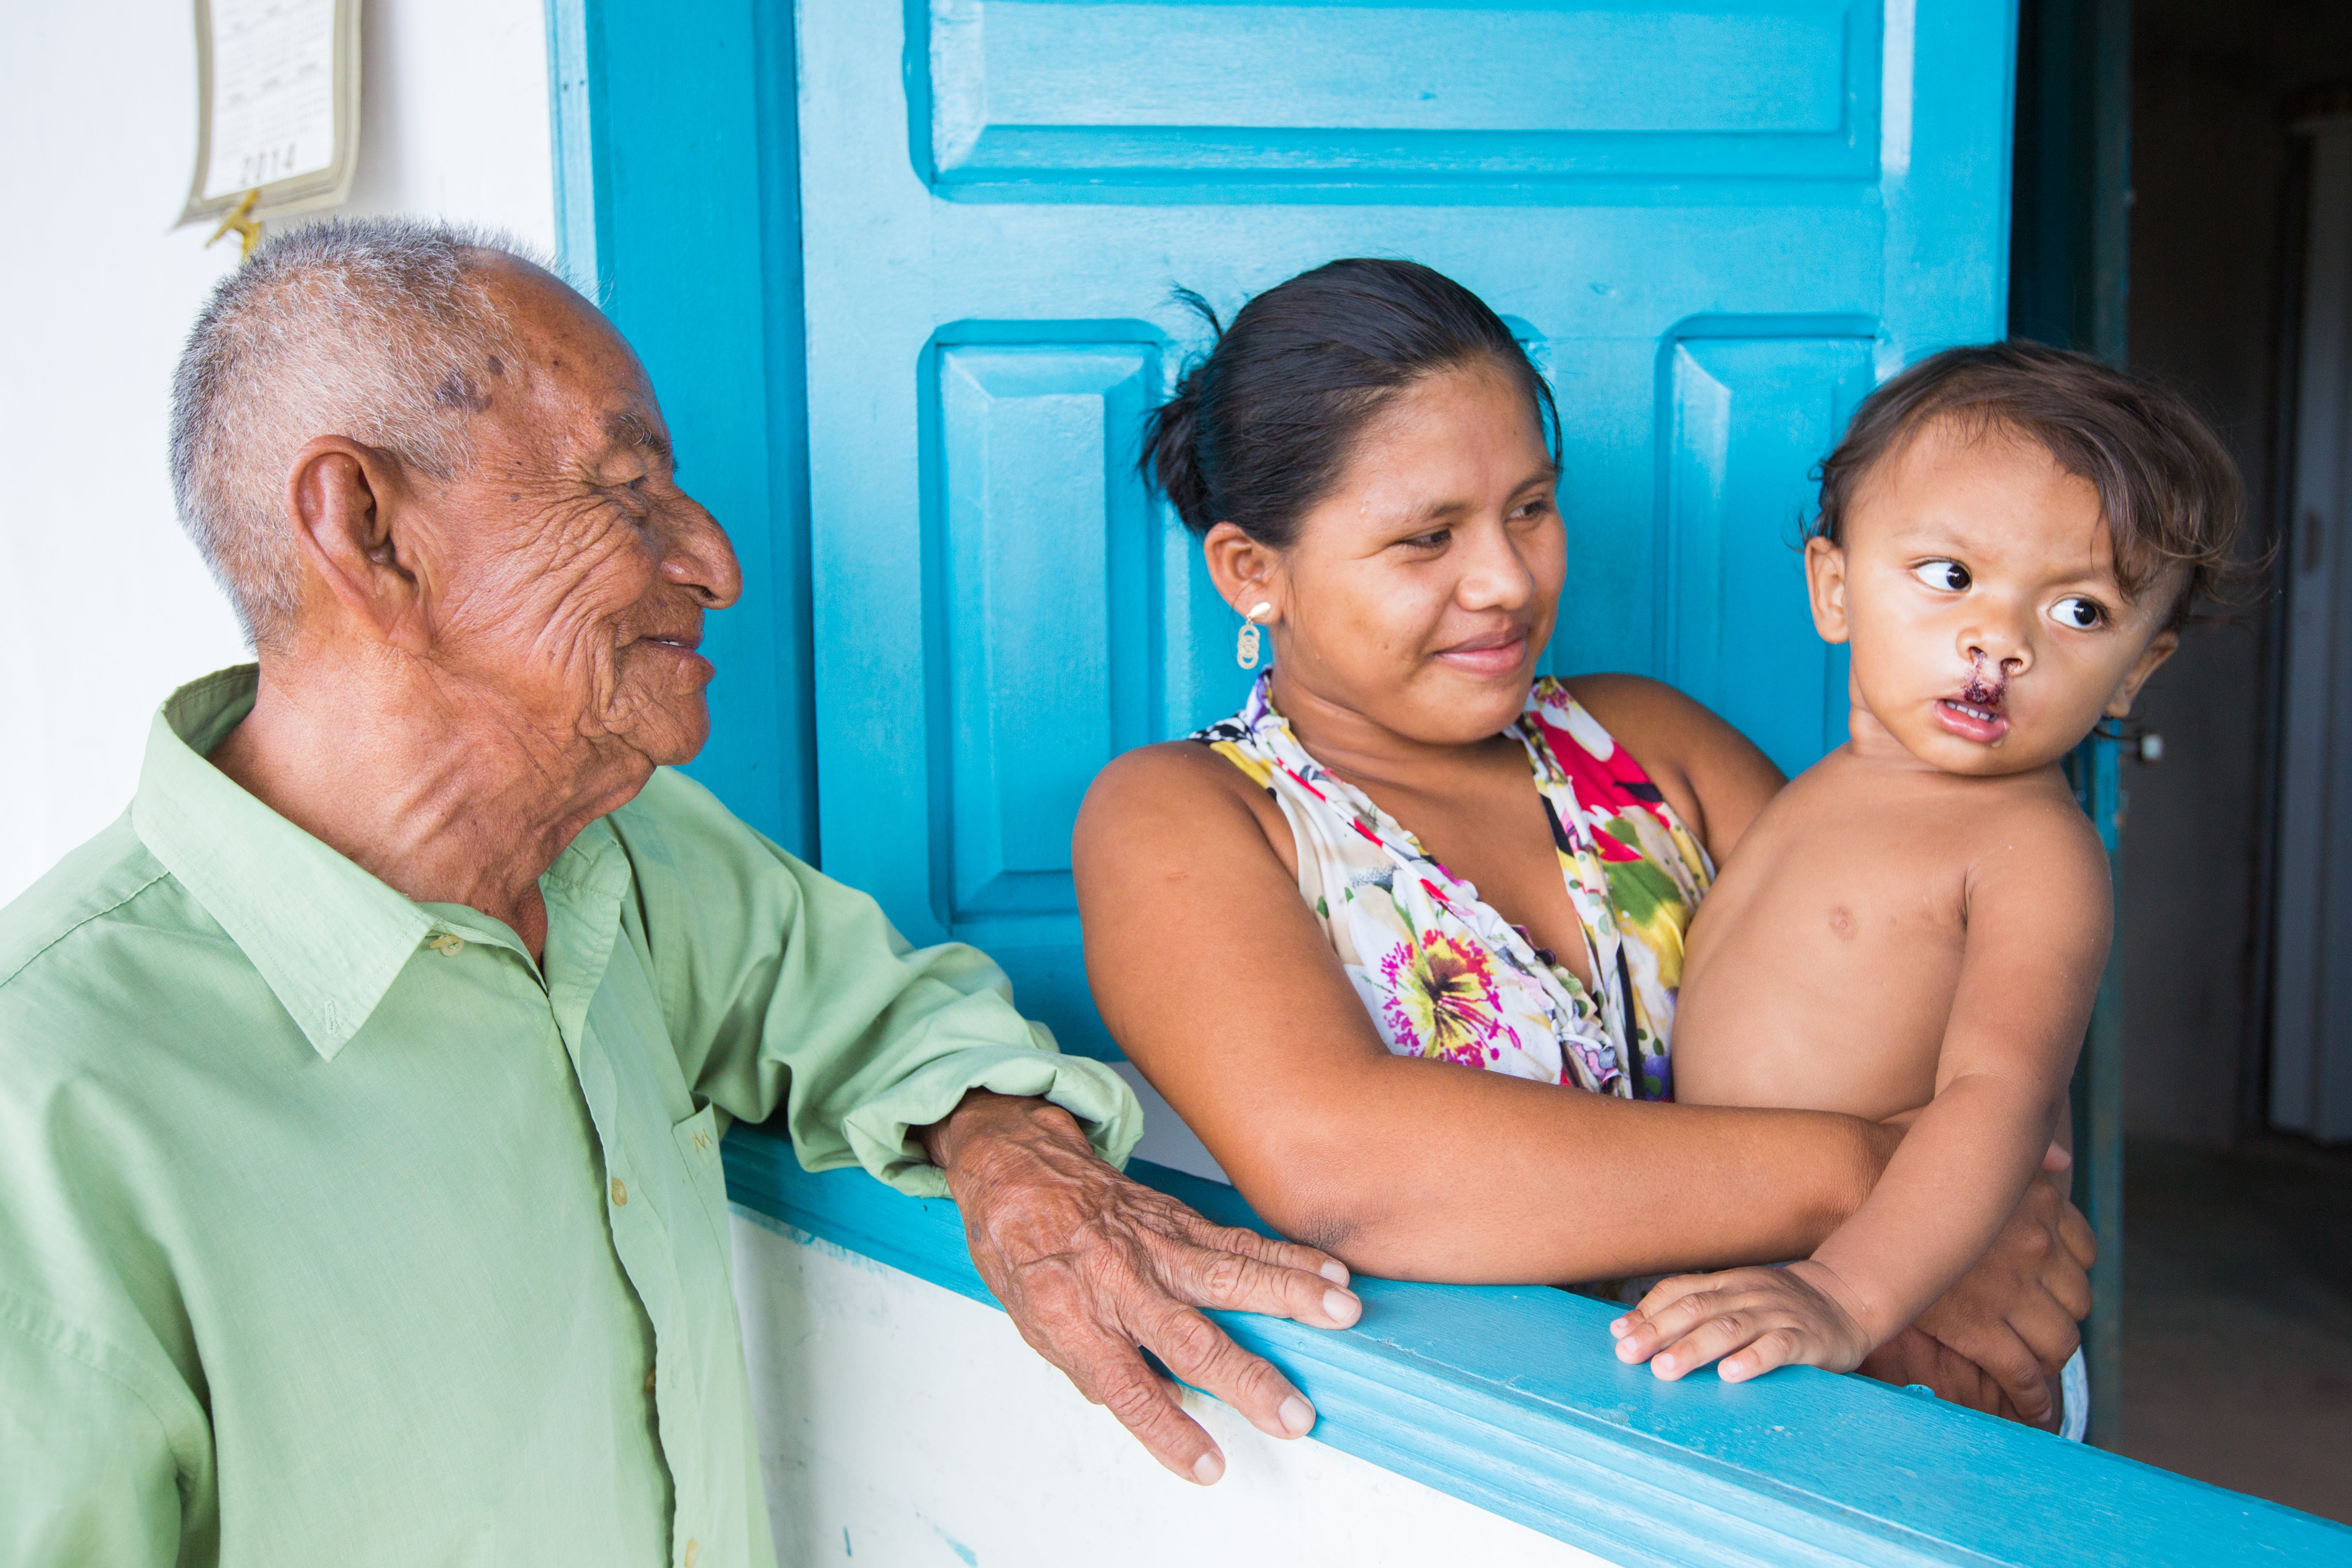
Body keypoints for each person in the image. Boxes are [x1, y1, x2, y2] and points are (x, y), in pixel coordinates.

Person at [0, 219, 1363, 1568]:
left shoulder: (622, 850)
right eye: (624, 489)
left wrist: (1010, 1147)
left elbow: (870, 1008)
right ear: (366, 528)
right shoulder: (49, 1100)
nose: (715, 562)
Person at [1075, 258, 2095, 1426]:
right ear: (1253, 571)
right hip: (1507, 1469)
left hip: (1826, 1422)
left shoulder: (1652, 747)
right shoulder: (1185, 814)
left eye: (1529, 507)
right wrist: (1891, 1191)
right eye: (1425, 539)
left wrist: (1983, 1220)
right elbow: (1349, 1173)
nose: (1507, 580)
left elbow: (1959, 1004)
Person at [1608, 345, 2241, 1437]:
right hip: (1774, 1307)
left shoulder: (2029, 850)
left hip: (1910, 1333)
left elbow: (1998, 1100)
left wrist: (1844, 1295)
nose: (1998, 640)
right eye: (1950, 577)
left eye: (2080, 613)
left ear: (2138, 670)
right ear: (1834, 588)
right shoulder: (1809, 795)